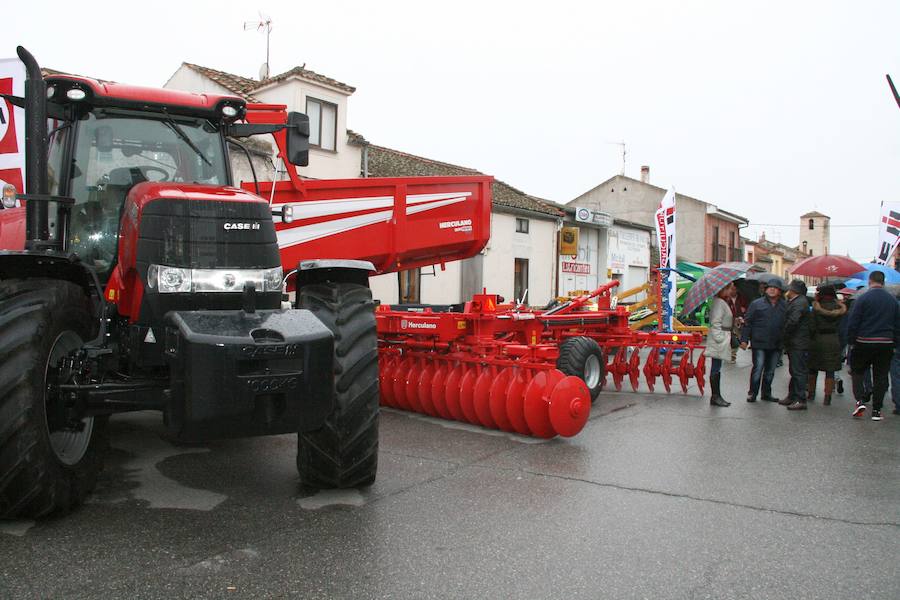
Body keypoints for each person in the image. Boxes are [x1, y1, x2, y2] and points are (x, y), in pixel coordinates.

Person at [847, 270, 900, 420]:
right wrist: (895, 342)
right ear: (883, 282)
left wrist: (851, 341)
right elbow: (897, 324)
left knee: (857, 372)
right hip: (886, 343)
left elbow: (853, 322)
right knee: (881, 376)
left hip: (864, 341)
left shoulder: (863, 299)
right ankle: (877, 410)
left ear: (870, 281)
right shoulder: (892, 301)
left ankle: (860, 401)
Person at [740, 277, 787, 402]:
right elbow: (747, 322)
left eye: (775, 288)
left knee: (770, 371)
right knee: (758, 368)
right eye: (769, 287)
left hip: (776, 343)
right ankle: (752, 393)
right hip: (759, 342)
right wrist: (744, 339)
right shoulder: (757, 304)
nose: (771, 290)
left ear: (779, 291)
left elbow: (787, 324)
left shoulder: (784, 305)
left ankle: (766, 393)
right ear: (765, 290)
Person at [808, 285, 847, 405]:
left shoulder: (816, 308)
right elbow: (843, 327)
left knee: (813, 368)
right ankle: (827, 396)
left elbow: (811, 326)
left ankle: (811, 393)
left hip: (817, 340)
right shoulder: (840, 309)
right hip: (833, 340)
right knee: (830, 370)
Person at [780, 279, 811, 410]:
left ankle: (800, 398)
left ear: (794, 291)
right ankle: (792, 396)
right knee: (794, 370)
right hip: (796, 341)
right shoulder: (797, 301)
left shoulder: (800, 303)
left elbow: (793, 321)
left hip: (798, 341)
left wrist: (784, 333)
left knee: (798, 371)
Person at [706, 281, 736, 407]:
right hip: (720, 338)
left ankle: (717, 396)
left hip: (722, 336)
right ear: (725, 289)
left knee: (717, 366)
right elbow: (715, 322)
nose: (732, 291)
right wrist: (720, 338)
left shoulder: (722, 302)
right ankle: (715, 396)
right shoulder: (719, 303)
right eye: (730, 288)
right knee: (716, 367)